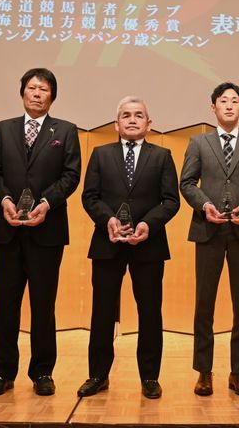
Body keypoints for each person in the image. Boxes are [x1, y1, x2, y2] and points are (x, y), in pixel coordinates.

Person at [0, 68, 81, 396]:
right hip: (8, 227)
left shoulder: (64, 130)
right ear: (22, 92)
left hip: (47, 229)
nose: (37, 94)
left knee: (43, 304)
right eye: (32, 88)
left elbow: (71, 175)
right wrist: (4, 200)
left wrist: (47, 203)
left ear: (53, 96)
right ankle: (3, 370)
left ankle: (42, 371)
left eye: (44, 89)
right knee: (4, 304)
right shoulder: (3, 129)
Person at [77, 96, 180, 399]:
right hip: (107, 243)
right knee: (102, 311)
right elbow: (89, 196)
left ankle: (149, 377)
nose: (132, 120)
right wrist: (107, 220)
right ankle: (98, 375)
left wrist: (148, 224)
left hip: (149, 245)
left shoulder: (162, 156)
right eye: (126, 115)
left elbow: (171, 200)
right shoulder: (100, 154)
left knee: (150, 312)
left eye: (138, 115)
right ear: (116, 123)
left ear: (149, 123)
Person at [180, 82, 239, 397]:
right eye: (223, 101)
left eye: (235, 101)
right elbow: (187, 182)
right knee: (204, 304)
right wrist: (205, 205)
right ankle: (203, 372)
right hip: (208, 231)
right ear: (213, 107)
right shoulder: (198, 142)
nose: (229, 105)